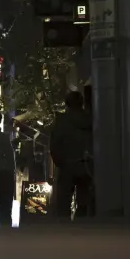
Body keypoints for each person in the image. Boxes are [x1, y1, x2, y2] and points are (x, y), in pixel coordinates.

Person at [50, 91, 93, 219]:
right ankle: (82, 225)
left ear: (66, 103)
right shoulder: (90, 120)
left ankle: (65, 229)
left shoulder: (62, 121)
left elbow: (55, 143)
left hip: (66, 165)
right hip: (86, 165)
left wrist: (59, 161)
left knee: (64, 201)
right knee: (84, 200)